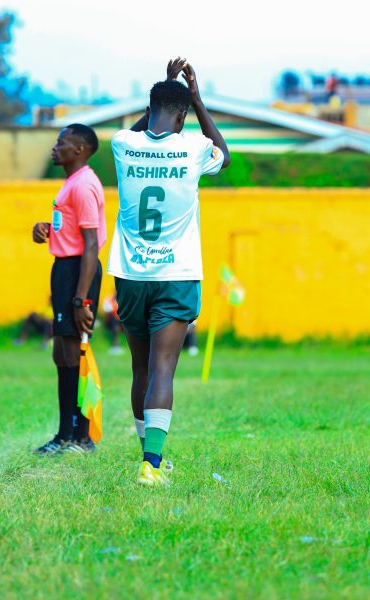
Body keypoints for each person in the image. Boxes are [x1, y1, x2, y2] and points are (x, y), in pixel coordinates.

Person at [107, 58, 230, 485]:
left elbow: (146, 127)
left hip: (129, 274)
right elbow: (225, 156)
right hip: (176, 274)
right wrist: (195, 98)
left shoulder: (123, 142)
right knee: (163, 368)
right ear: (182, 116)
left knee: (141, 368)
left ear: (150, 107)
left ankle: (148, 457)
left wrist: (162, 98)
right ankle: (151, 465)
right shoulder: (194, 146)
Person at [32, 123, 106, 455]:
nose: (54, 147)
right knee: (61, 351)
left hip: (79, 270)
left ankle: (82, 436)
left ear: (79, 150)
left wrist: (81, 299)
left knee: (74, 349)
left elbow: (91, 245)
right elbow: (74, 230)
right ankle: (64, 434)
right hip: (65, 267)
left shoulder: (84, 185)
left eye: (61, 142)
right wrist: (46, 228)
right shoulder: (71, 183)